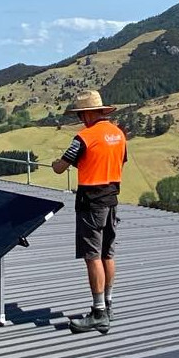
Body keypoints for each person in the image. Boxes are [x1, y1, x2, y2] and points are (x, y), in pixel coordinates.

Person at [50, 90, 127, 334]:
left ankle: (98, 313)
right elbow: (120, 161)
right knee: (107, 254)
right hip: (112, 201)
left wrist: (55, 163)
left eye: (83, 114)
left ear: (91, 113)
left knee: (92, 256)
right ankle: (109, 305)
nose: (82, 119)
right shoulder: (119, 134)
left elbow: (60, 168)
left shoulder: (83, 138)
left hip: (90, 203)